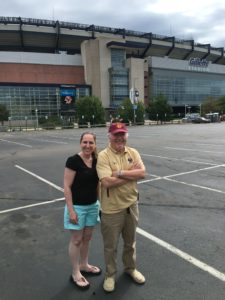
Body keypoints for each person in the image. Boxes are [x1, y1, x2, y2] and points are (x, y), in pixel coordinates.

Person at [96, 122, 146, 292]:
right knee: (111, 246)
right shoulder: (103, 156)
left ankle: (130, 268)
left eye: (122, 134)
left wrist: (120, 173)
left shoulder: (133, 152)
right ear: (109, 137)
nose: (119, 137)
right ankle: (110, 275)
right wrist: (131, 174)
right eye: (116, 134)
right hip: (111, 210)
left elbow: (143, 173)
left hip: (131, 206)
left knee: (130, 243)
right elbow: (107, 182)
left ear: (126, 136)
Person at [63, 131, 101, 290]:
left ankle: (84, 264)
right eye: (85, 142)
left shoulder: (97, 160)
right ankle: (75, 272)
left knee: (87, 238)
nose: (87, 145)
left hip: (93, 206)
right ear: (80, 143)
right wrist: (71, 210)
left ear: (95, 144)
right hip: (77, 207)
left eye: (91, 142)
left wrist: (100, 204)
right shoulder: (73, 161)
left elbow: (98, 184)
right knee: (76, 240)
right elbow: (66, 186)